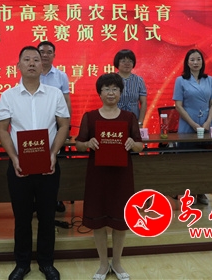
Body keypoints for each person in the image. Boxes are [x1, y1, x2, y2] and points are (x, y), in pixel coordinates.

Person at [0, 46, 70, 280]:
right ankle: (22, 264)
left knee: (47, 217)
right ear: (18, 65)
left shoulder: (54, 94)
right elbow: (2, 129)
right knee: (22, 218)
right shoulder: (8, 95)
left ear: (42, 64)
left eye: (36, 59)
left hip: (49, 165)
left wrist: (53, 153)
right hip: (19, 167)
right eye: (26, 59)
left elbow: (64, 125)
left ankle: (47, 263)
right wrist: (14, 158)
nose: (31, 63)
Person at [75, 73, 143, 280]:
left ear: (120, 93)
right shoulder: (90, 117)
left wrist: (133, 144)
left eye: (115, 89)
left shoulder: (129, 117)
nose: (111, 93)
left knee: (120, 221)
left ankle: (117, 263)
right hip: (98, 177)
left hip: (121, 176)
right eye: (106, 89)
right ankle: (103, 264)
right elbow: (78, 144)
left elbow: (140, 145)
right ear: (100, 93)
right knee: (99, 221)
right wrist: (87, 144)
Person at [172, 48, 212, 205]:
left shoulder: (209, 79)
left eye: (198, 59)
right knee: (188, 160)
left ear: (202, 62)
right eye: (192, 59)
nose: (196, 62)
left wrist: (207, 122)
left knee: (206, 160)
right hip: (187, 124)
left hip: (206, 123)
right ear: (187, 62)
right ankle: (188, 192)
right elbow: (178, 105)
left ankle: (202, 192)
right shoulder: (181, 80)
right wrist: (192, 124)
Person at [37, 40, 71, 213]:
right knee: (35, 158)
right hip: (36, 123)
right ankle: (36, 200)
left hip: (56, 124)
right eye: (41, 52)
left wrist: (67, 123)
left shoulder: (61, 76)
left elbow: (66, 101)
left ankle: (56, 198)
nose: (45, 55)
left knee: (55, 161)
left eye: (48, 52)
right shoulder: (31, 73)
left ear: (54, 55)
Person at [113, 49, 147, 128]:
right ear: (117, 63)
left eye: (130, 61)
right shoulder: (112, 80)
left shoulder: (139, 80)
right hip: (115, 118)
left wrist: (140, 123)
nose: (127, 64)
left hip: (134, 119)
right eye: (123, 61)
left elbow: (143, 103)